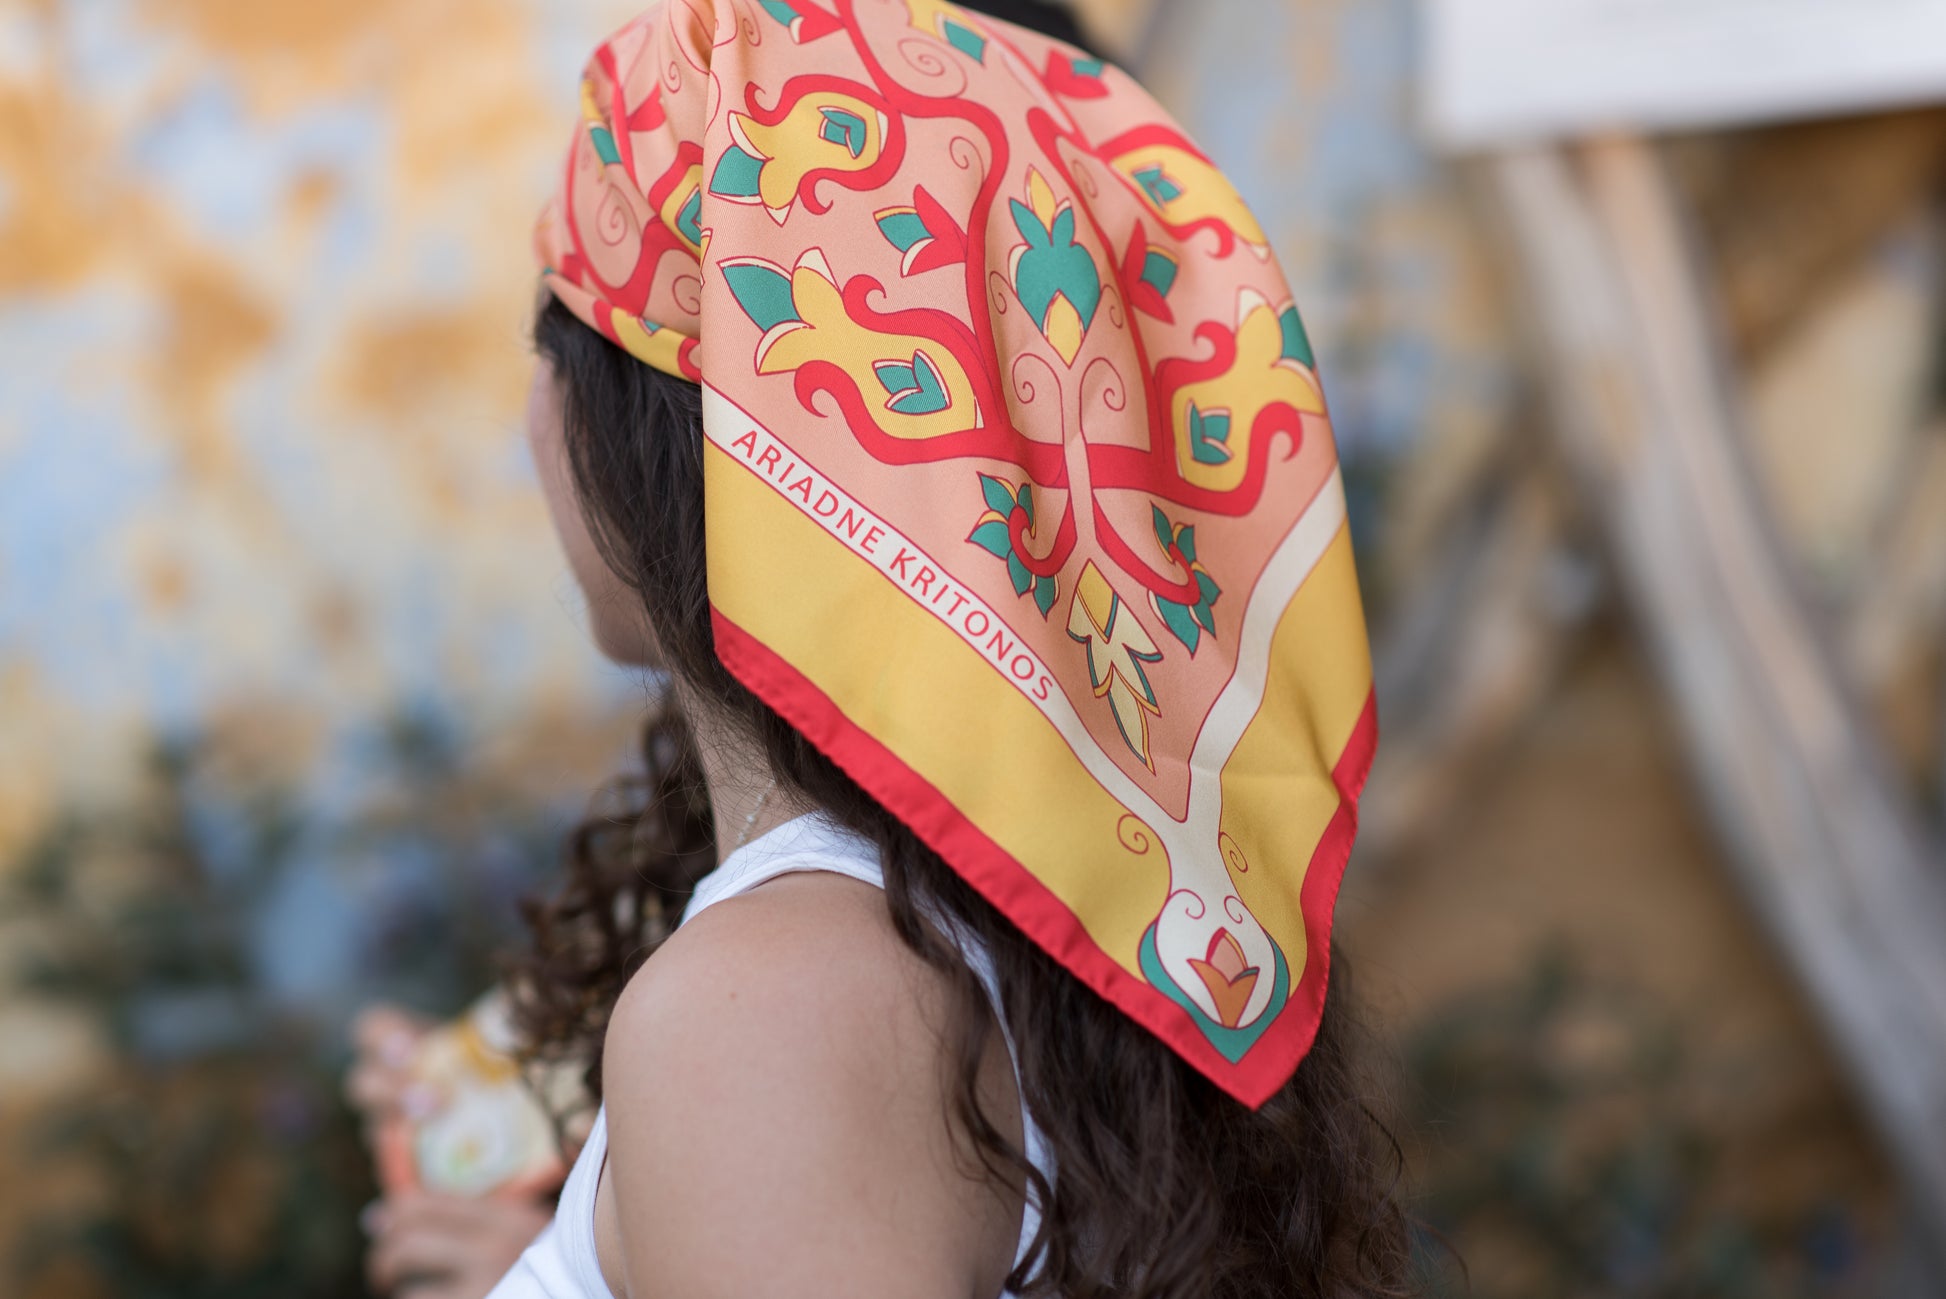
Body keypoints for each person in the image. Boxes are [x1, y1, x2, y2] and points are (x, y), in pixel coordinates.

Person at [365, 0, 1417, 1295]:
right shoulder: (1030, 918)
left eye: (552, 338)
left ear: (661, 439)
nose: (529, 415)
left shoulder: (769, 1009)